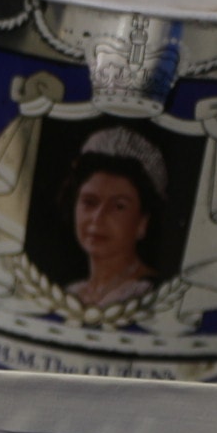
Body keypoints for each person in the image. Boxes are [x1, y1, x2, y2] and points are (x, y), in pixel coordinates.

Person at [59, 126, 171, 312]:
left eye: (118, 206)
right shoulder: (72, 292)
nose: (97, 218)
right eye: (90, 202)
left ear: (142, 222)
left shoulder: (150, 295)